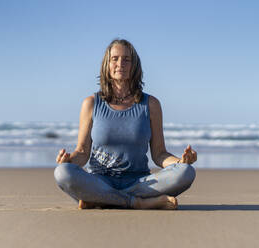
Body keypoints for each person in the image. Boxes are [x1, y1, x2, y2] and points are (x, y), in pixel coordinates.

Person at [54, 39, 197, 210]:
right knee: (62, 173)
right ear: (107, 64)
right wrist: (69, 161)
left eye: (126, 59)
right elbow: (82, 153)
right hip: (100, 181)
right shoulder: (91, 103)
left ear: (134, 66)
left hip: (141, 183)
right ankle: (137, 203)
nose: (120, 63)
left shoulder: (150, 104)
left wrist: (180, 162)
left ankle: (102, 200)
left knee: (187, 173)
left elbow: (159, 154)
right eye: (115, 59)